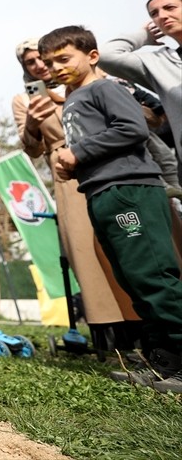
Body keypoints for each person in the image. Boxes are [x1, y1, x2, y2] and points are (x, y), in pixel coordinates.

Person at [40, 25, 182, 394]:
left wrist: (77, 152)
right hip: (101, 192)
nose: (55, 68)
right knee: (133, 279)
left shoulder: (105, 87)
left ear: (92, 56)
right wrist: (72, 166)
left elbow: (133, 128)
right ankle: (165, 361)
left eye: (63, 58)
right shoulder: (73, 98)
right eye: (49, 63)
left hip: (130, 190)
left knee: (153, 276)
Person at [12, 40, 140, 334]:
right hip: (69, 173)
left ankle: (156, 324)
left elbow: (140, 119)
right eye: (31, 62)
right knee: (86, 250)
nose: (40, 65)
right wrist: (31, 123)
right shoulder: (24, 99)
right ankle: (112, 329)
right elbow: (32, 149)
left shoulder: (93, 80)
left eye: (43, 58)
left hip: (115, 163)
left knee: (131, 238)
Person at [97, 0, 182, 158]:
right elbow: (106, 55)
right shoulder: (159, 63)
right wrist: (144, 36)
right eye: (154, 14)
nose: (162, 16)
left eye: (170, 8)